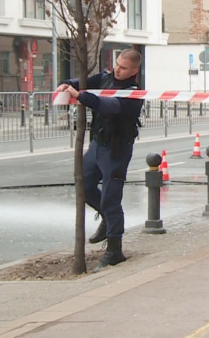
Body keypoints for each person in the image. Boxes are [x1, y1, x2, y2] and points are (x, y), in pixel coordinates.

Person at [56, 48, 144, 271]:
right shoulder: (105, 77)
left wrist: (81, 96)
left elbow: (109, 105)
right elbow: (81, 81)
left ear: (134, 70)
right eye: (117, 64)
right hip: (97, 144)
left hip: (116, 149)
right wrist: (66, 84)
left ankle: (114, 251)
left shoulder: (134, 93)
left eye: (123, 68)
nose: (117, 69)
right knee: (83, 185)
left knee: (110, 198)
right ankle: (106, 218)